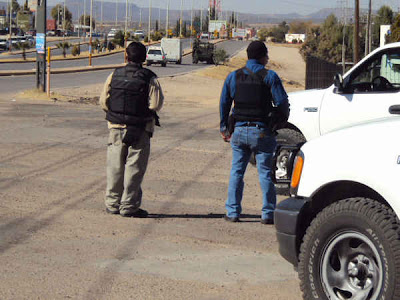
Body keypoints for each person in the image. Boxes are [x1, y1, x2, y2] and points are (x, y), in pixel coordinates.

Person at [219, 41, 289, 224]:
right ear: (262, 56)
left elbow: (224, 103)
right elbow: (283, 104)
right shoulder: (270, 76)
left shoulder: (233, 77)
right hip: (262, 131)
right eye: (267, 55)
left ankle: (233, 212)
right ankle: (268, 214)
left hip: (239, 130)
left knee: (236, 172)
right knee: (265, 173)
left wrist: (224, 128)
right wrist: (278, 122)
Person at [100, 41, 164, 217]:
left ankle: (112, 203)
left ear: (126, 56)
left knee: (114, 166)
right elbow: (156, 104)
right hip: (140, 128)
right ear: (144, 58)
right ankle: (128, 206)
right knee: (134, 168)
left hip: (116, 128)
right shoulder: (149, 77)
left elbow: (103, 102)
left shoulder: (114, 75)